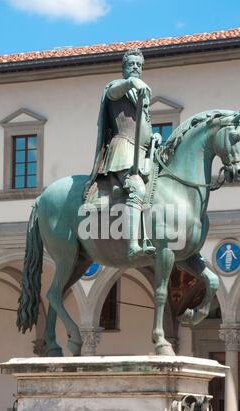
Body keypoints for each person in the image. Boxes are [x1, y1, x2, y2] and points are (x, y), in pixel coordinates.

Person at [83, 48, 156, 259]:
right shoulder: (117, 87)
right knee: (137, 188)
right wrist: (132, 82)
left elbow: (142, 126)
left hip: (143, 151)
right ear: (124, 68)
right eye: (131, 64)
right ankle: (133, 244)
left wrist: (154, 138)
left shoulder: (140, 94)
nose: (136, 68)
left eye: (139, 65)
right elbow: (112, 93)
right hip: (123, 149)